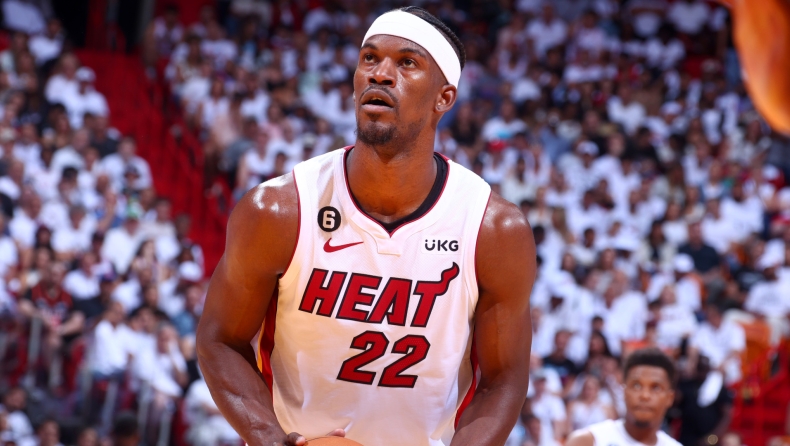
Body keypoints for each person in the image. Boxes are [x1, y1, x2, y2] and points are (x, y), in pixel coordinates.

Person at [197, 6, 536, 446]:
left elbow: (503, 378)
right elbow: (220, 340)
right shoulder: (279, 210)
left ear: (444, 98)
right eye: (370, 58)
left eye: (407, 63)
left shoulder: (493, 230)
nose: (380, 73)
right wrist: (269, 438)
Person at [565, 348, 681, 446]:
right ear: (624, 391)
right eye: (636, 386)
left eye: (656, 388)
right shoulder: (587, 441)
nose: (644, 396)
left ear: (670, 398)